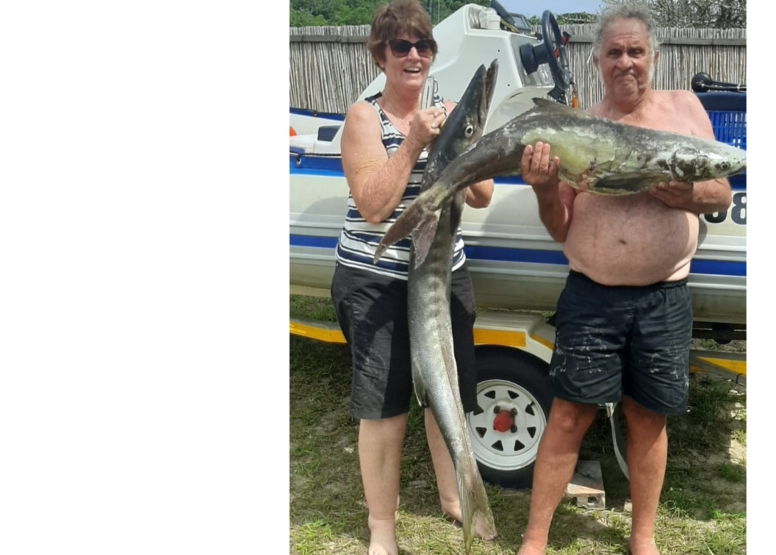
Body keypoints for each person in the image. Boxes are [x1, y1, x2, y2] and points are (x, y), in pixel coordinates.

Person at [515, 4, 733, 555]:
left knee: (648, 417)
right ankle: (535, 539)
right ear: (597, 61)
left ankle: (643, 538)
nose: (626, 62)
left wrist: (688, 195)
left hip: (664, 297)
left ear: (653, 57)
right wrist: (544, 188)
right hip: (592, 295)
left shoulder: (685, 110)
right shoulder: (578, 126)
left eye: (636, 51)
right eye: (614, 52)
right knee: (567, 415)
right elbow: (560, 226)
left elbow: (721, 192)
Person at [328, 1, 495, 554]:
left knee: (449, 391)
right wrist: (417, 143)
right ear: (381, 54)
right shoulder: (363, 117)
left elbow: (481, 193)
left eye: (423, 44)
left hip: (444, 275)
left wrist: (460, 143)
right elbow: (374, 206)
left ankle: (455, 497)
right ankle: (382, 528)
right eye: (401, 45)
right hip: (376, 280)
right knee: (384, 406)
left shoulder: (447, 111)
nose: (414, 54)